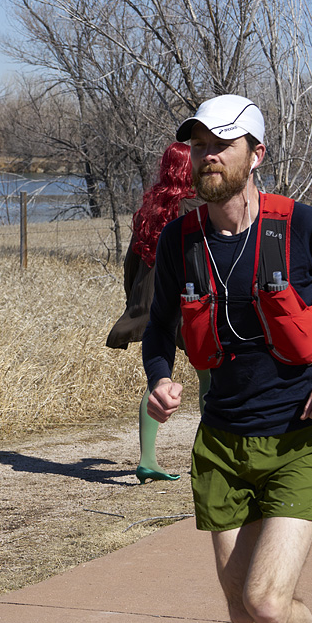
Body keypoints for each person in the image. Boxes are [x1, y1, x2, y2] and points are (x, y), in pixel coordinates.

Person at [142, 95, 312, 623]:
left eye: (222, 144)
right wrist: (159, 378)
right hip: (221, 447)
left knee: (266, 603)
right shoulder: (180, 241)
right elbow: (159, 327)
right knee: (243, 616)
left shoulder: (303, 226)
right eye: (199, 146)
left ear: (256, 154)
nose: (208, 155)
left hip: (297, 440)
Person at [106, 142, 210, 483]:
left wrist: (134, 301)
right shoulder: (198, 206)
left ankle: (147, 459)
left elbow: (131, 261)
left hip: (151, 298)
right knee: (209, 376)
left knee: (158, 379)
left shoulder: (149, 208)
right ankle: (206, 457)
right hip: (187, 297)